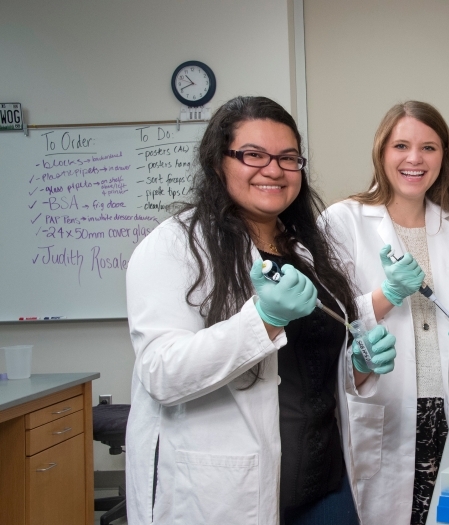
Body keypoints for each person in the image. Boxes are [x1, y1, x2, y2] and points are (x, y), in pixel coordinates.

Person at [125, 96, 396, 525]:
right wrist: (264, 321)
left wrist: (357, 365)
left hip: (323, 482)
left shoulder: (306, 250)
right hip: (227, 493)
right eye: (253, 155)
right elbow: (161, 373)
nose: (273, 170)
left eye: (288, 158)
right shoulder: (175, 246)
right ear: (218, 162)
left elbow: (310, 370)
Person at [320, 101, 449, 525]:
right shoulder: (343, 221)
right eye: (401, 145)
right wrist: (387, 294)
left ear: (443, 158)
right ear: (382, 153)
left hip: (447, 408)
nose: (415, 159)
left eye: (429, 148)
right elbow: (324, 319)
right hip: (383, 406)